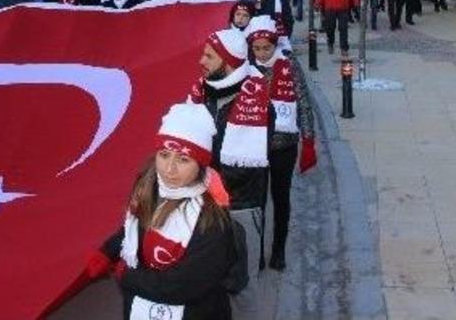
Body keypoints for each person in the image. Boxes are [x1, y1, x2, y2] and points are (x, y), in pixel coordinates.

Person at [87, 103, 238, 320]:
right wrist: (108, 251)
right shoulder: (150, 188)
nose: (169, 169)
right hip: (142, 307)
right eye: (164, 155)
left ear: (201, 164)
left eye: (183, 159)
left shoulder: (212, 221)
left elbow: (182, 285)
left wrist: (128, 276)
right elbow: (138, 227)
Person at [187, 28, 268, 316]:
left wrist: (200, 176)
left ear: (229, 61)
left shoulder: (256, 96)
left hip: (239, 210)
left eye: (209, 56)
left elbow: (245, 168)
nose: (201, 61)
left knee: (242, 287)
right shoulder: (201, 92)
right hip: (199, 206)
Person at [243, 16, 316, 271]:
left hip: (284, 144)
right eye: (257, 49)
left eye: (267, 48)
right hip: (255, 145)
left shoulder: (289, 63)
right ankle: (259, 251)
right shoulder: (245, 68)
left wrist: (309, 140)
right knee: (258, 200)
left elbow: (304, 102)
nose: (262, 53)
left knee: (281, 198)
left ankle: (278, 250)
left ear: (275, 44)